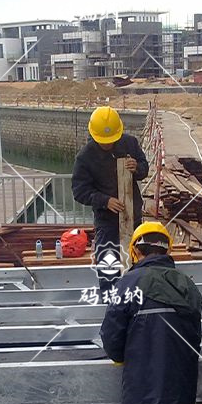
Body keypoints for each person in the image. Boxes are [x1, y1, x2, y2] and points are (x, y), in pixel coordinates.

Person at [100, 221, 202, 404]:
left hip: (144, 398)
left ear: (136, 250)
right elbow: (194, 339)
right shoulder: (187, 285)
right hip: (182, 396)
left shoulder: (128, 284)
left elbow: (111, 337)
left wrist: (122, 357)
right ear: (167, 250)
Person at [71, 106, 149, 291]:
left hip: (133, 217)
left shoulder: (129, 143)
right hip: (107, 223)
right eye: (104, 142)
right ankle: (110, 300)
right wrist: (104, 201)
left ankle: (136, 299)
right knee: (108, 268)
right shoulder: (85, 157)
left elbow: (144, 169)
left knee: (137, 263)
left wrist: (137, 168)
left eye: (111, 141)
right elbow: (79, 191)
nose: (108, 145)